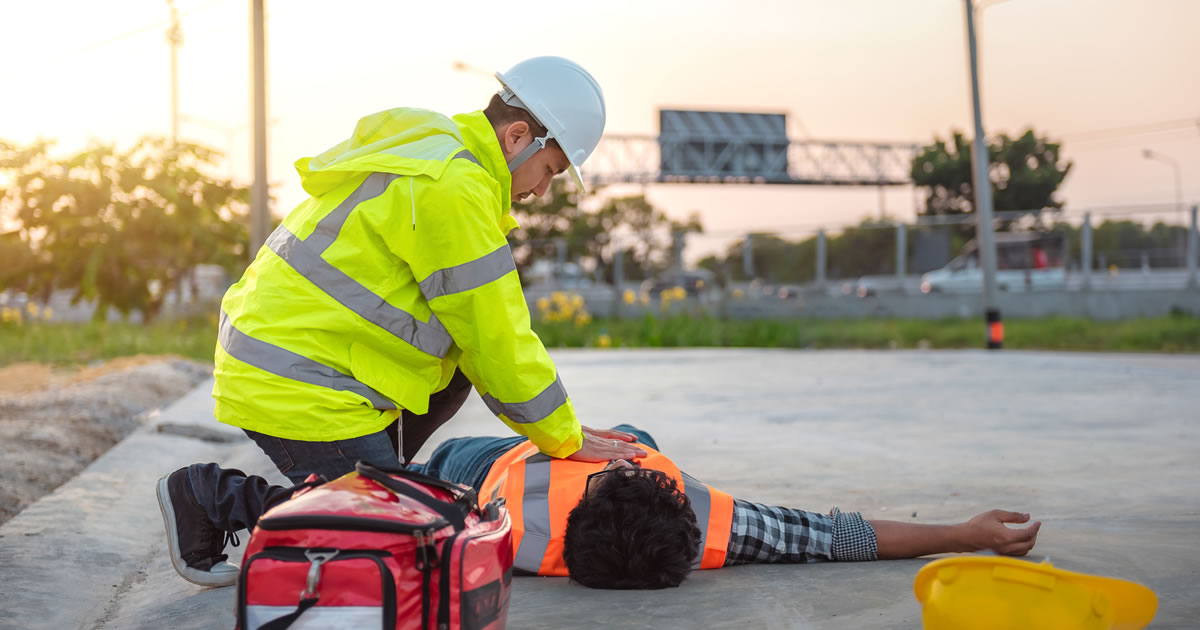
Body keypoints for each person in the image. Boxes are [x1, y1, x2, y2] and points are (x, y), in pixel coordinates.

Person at [162, 57, 651, 586]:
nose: (541, 190)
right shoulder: (452, 187)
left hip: (297, 360)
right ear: (517, 137)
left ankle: (379, 486)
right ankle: (211, 498)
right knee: (414, 543)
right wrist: (565, 437)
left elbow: (480, 343)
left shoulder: (434, 149)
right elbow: (499, 338)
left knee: (455, 377)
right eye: (551, 170)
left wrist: (563, 430)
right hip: (294, 379)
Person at [158, 425, 1041, 589]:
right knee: (626, 427)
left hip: (482, 467)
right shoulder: (714, 525)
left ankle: (213, 494)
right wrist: (961, 533)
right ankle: (617, 433)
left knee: (390, 500)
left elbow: (839, 534)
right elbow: (837, 537)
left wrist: (966, 532)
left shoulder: (496, 531)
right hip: (496, 452)